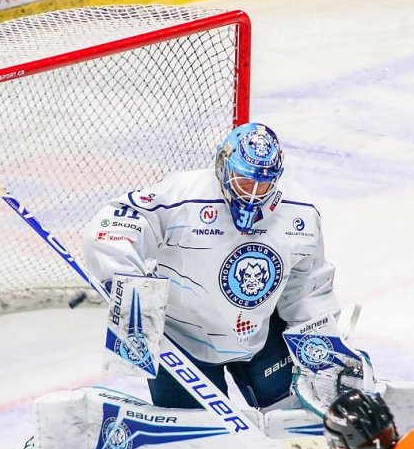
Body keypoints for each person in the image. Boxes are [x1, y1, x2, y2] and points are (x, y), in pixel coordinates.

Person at [82, 122, 356, 411]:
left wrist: (322, 348)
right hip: (182, 339)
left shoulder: (300, 211)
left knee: (296, 414)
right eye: (244, 181)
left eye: (262, 185)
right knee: (194, 434)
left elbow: (307, 288)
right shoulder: (184, 195)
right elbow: (115, 223)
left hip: (259, 335)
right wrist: (126, 283)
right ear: (223, 166)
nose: (252, 195)